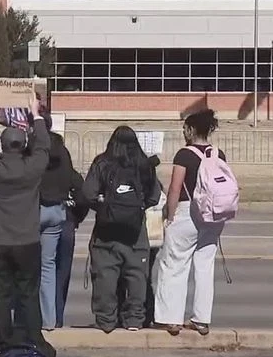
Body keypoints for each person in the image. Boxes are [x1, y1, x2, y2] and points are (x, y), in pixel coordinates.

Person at [0, 94, 55, 357]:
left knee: (1, 294)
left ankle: (4, 339)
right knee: (29, 294)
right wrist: (36, 114)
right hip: (27, 240)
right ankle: (34, 337)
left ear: (3, 146)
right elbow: (44, 146)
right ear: (23, 145)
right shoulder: (32, 169)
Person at [153, 109, 227, 336]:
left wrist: (170, 214)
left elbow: (175, 187)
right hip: (213, 215)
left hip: (188, 212)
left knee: (174, 263)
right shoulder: (218, 154)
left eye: (185, 128)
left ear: (191, 130)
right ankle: (201, 319)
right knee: (204, 266)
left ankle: (171, 318)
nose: (183, 132)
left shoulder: (184, 155)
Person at [82, 126, 161, 333]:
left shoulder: (102, 163)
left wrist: (103, 205)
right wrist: (138, 206)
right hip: (135, 231)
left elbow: (88, 193)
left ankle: (106, 319)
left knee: (105, 275)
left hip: (106, 230)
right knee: (136, 275)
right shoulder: (144, 164)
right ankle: (134, 319)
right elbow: (154, 195)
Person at [39, 132, 86, 330]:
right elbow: (83, 195)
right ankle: (56, 317)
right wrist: (75, 218)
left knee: (41, 270)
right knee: (61, 273)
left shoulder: (37, 166)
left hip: (39, 216)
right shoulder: (67, 170)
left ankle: (42, 316)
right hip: (66, 219)